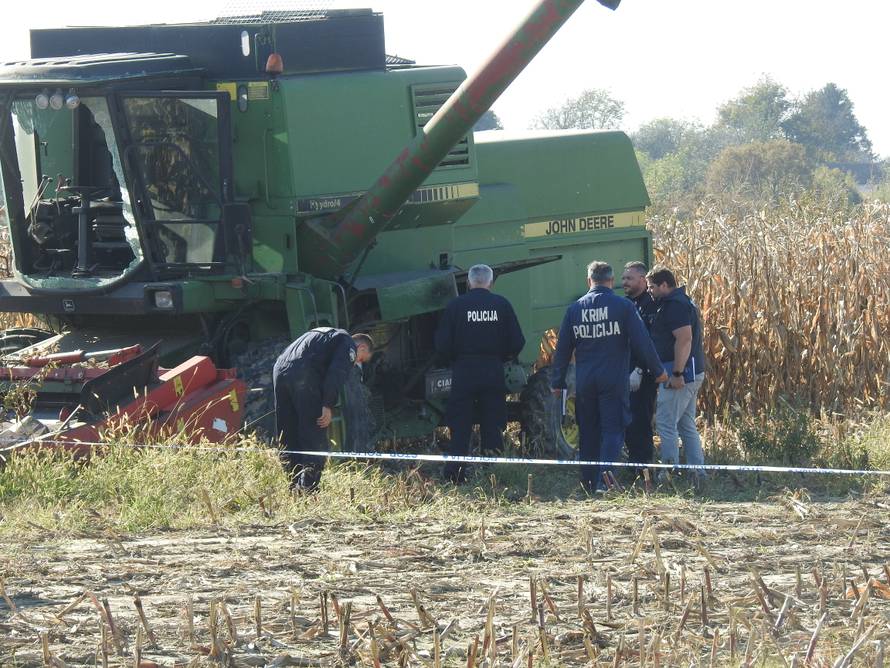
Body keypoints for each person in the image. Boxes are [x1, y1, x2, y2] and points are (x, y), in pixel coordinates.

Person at [550, 261, 667, 492]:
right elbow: (642, 342)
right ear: (611, 281)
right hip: (613, 380)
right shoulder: (622, 306)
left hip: (585, 381)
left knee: (589, 431)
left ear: (588, 281)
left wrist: (557, 382)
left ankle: (589, 481)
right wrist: (659, 370)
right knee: (613, 429)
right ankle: (605, 483)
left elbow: (562, 350)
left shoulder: (575, 309)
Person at [435, 264, 525, 483]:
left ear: (468, 283)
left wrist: (453, 359)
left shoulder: (456, 306)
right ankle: (493, 474)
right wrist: (502, 358)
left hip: (464, 370)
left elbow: (442, 344)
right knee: (493, 424)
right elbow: (517, 341)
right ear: (491, 283)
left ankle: (455, 475)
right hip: (492, 370)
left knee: (459, 425)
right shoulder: (501, 305)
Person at [272, 328, 374, 491]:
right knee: (315, 432)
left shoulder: (324, 336)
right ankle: (308, 489)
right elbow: (336, 374)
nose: (355, 363)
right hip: (304, 373)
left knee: (288, 431)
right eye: (360, 359)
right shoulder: (347, 343)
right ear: (361, 348)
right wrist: (327, 405)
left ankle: (293, 484)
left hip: (280, 369)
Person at [645, 266, 706, 477]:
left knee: (665, 422)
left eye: (652, 287)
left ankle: (668, 473)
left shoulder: (674, 306)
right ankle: (697, 472)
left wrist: (678, 374)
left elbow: (684, 339)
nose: (650, 291)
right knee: (685, 423)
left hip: (681, 374)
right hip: (691, 372)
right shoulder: (681, 301)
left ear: (664, 285)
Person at [621, 261, 659, 467]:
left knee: (641, 422)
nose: (624, 282)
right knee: (628, 422)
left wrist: (639, 369)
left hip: (642, 376)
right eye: (623, 278)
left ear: (643, 280)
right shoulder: (627, 304)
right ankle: (633, 463)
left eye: (629, 278)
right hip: (625, 373)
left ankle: (643, 467)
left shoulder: (650, 306)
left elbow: (649, 342)